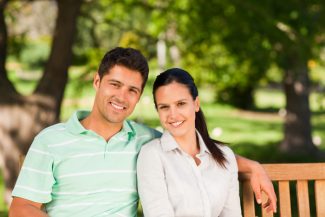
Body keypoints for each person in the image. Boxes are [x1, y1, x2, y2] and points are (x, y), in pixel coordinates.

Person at [9, 47, 276, 217]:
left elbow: (192, 146)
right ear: (97, 81)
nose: (122, 97)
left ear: (138, 98)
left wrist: (252, 165)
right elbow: (21, 208)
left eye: (132, 90)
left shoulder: (145, 141)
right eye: (115, 84)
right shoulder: (51, 140)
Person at [137, 68, 241, 216]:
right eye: (164, 107)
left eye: (181, 104)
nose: (173, 115)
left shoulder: (225, 156)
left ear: (196, 104)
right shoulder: (152, 155)